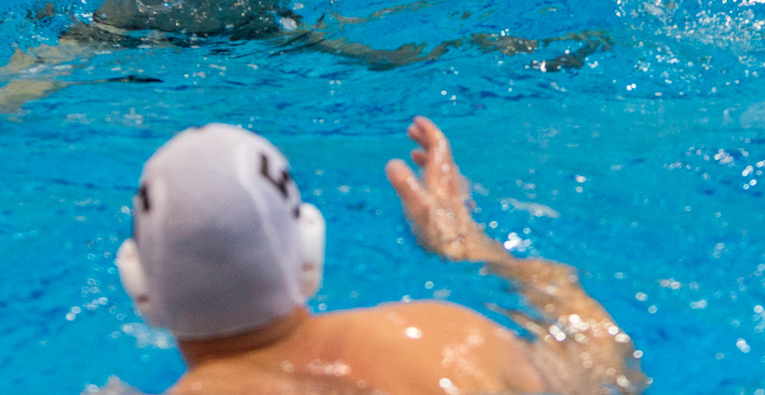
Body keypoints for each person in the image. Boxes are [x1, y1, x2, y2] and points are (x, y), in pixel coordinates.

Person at [109, 117, 646, 395]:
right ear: (309, 254)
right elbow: (608, 366)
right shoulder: (454, 343)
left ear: (140, 287)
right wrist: (470, 246)